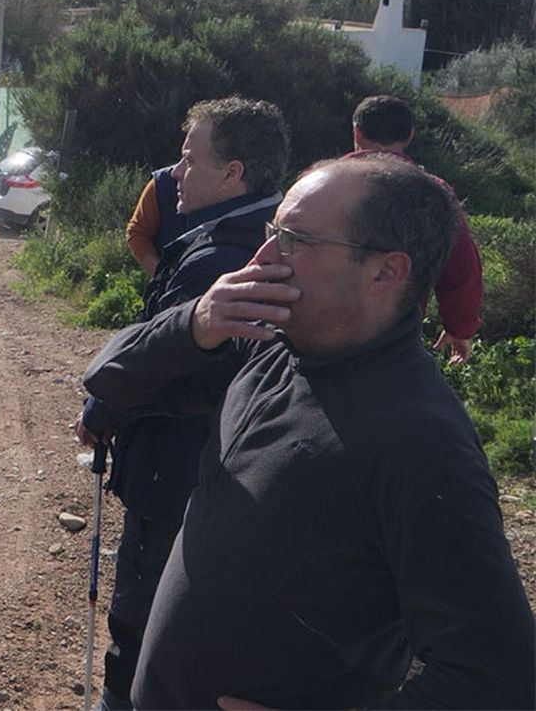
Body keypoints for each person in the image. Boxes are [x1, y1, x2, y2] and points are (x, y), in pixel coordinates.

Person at [83, 153, 535, 710]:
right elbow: (111, 382)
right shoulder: (270, 348)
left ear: (385, 272)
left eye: (293, 239)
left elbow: (500, 676)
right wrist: (195, 320)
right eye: (274, 230)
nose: (263, 255)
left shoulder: (422, 439)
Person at [77, 97, 288, 711]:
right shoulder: (252, 237)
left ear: (234, 174)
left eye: (190, 159)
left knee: (142, 626)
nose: (174, 172)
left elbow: (175, 372)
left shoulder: (224, 261)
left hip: (178, 471)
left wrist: (106, 409)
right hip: (211, 471)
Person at [350, 94, 483, 363]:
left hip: (315, 327)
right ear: (409, 136)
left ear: (357, 132)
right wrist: (460, 327)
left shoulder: (316, 184)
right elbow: (461, 264)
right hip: (395, 335)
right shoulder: (432, 192)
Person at [124, 164, 188, 278]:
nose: (177, 171)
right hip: (175, 288)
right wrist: (162, 278)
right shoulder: (163, 185)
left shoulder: (229, 189)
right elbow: (138, 232)